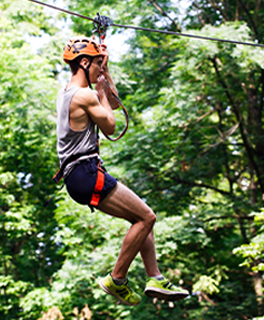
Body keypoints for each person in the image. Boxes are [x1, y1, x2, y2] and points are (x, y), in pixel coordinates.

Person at [54, 36, 189, 306]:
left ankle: (155, 277)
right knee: (147, 217)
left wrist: (106, 73)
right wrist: (101, 91)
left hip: (79, 177)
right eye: (95, 64)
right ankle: (116, 280)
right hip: (86, 173)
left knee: (141, 218)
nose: (98, 69)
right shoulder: (85, 95)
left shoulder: (68, 91)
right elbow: (111, 125)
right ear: (83, 62)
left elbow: (112, 105)